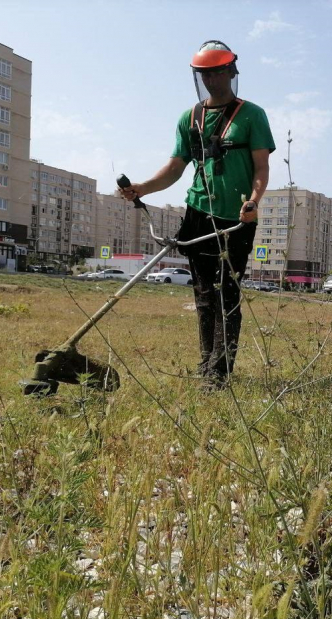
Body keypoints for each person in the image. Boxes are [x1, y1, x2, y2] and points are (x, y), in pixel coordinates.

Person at [120, 40, 275, 388]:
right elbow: (175, 168)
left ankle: (220, 374)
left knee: (227, 294)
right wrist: (142, 188)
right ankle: (207, 365)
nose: (212, 80)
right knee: (204, 294)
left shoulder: (252, 115)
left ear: (232, 71)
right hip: (198, 214)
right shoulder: (189, 118)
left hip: (236, 217)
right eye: (205, 74)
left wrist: (253, 201)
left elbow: (261, 167)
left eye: (218, 72)